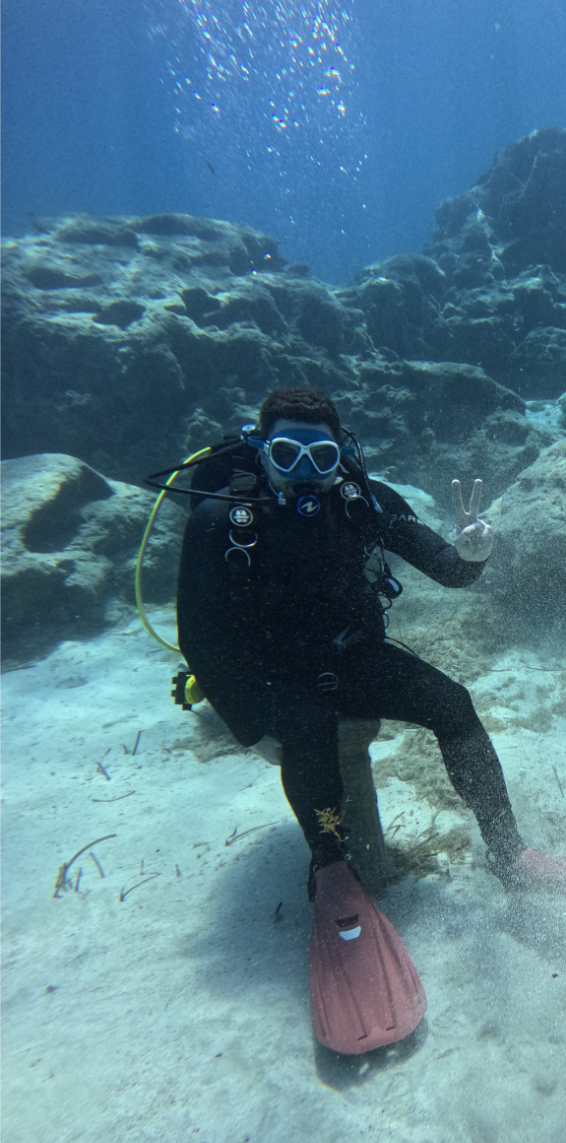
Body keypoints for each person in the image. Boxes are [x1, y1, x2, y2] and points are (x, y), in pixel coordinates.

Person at [172, 386, 525, 1051]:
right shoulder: (225, 518)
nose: (305, 472)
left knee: (454, 704)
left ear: (341, 455)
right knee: (307, 735)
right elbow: (200, 637)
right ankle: (332, 872)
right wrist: (252, 723)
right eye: (286, 454)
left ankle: (513, 851)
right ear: (261, 451)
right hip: (278, 678)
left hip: (352, 657)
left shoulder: (360, 499)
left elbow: (447, 570)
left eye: (321, 455)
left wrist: (473, 555)